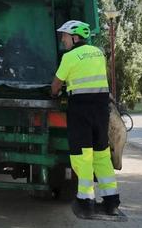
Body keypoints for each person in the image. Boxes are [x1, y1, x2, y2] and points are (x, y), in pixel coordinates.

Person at [51, 20, 120, 217]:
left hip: (80, 110)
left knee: (82, 157)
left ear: (74, 37)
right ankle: (111, 202)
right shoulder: (98, 53)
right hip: (101, 110)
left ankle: (86, 202)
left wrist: (54, 94)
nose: (63, 40)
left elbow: (56, 85)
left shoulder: (70, 57)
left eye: (64, 36)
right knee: (101, 154)